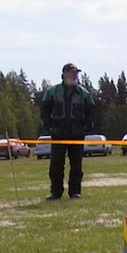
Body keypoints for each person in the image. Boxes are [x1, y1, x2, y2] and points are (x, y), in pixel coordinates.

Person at [40, 63, 96, 200]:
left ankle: (75, 192)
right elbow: (44, 110)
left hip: (77, 134)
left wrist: (86, 127)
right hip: (58, 134)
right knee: (56, 165)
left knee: (76, 165)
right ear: (64, 74)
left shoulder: (84, 93)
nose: (74, 75)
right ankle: (55, 192)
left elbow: (91, 111)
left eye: (76, 73)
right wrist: (49, 126)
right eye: (72, 73)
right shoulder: (52, 92)